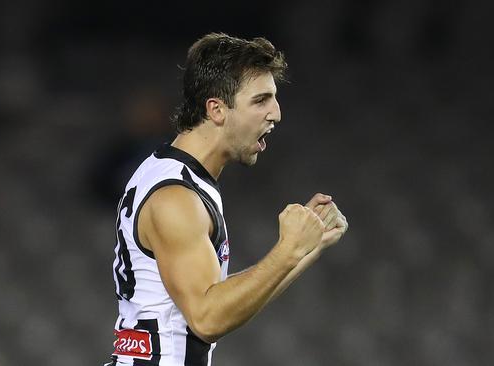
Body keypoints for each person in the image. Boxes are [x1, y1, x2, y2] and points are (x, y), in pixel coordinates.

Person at [107, 33, 348, 366]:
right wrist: (287, 249)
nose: (276, 113)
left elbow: (220, 303)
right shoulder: (176, 197)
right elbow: (207, 319)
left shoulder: (174, 175)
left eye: (274, 99)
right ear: (216, 109)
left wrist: (305, 249)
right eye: (261, 100)